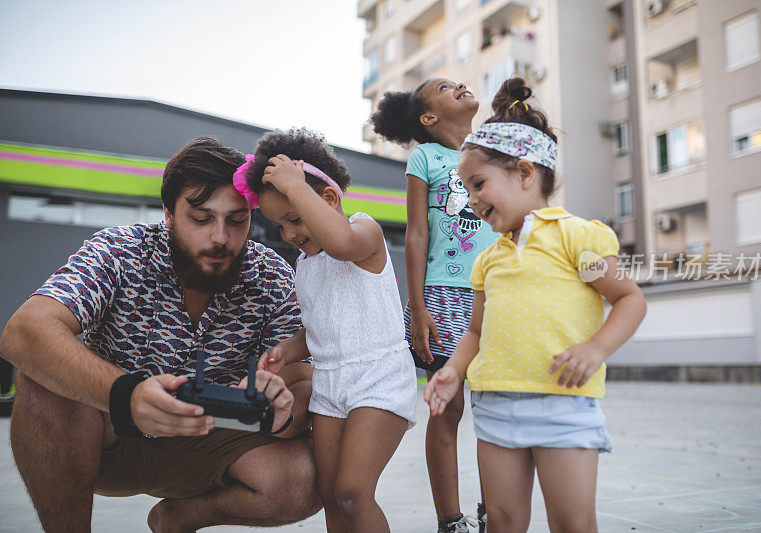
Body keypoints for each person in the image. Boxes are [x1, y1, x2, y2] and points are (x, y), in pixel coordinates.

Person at [0, 137, 322, 532]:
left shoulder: (271, 275)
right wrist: (126, 394)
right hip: (111, 437)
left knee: (308, 475)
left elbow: (305, 379)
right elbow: (26, 330)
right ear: (168, 214)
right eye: (201, 219)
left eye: (236, 221)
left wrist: (281, 411)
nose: (220, 238)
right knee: (43, 380)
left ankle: (179, 519)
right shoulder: (120, 250)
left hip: (217, 440)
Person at [424, 78, 647, 533]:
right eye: (466, 189)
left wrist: (596, 349)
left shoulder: (575, 238)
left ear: (525, 173)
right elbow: (476, 333)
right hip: (495, 406)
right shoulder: (489, 259)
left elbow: (628, 299)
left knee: (573, 523)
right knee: (503, 522)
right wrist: (453, 370)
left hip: (563, 405)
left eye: (479, 183)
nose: (471, 199)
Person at [235, 127, 418, 533]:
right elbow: (322, 326)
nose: (289, 235)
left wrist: (297, 187)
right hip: (330, 385)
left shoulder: (363, 232)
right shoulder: (306, 266)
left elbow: (339, 243)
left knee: (354, 492)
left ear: (329, 199)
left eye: (294, 219)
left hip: (379, 378)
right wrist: (289, 349)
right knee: (332, 494)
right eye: (279, 227)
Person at [371, 77, 495, 533]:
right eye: (447, 86)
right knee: (449, 407)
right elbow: (417, 234)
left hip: (495, 295)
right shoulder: (425, 157)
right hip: (442, 296)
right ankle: (450, 520)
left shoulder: (491, 153)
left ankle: (493, 512)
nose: (461, 84)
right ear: (429, 117)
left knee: (493, 409)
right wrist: (417, 306)